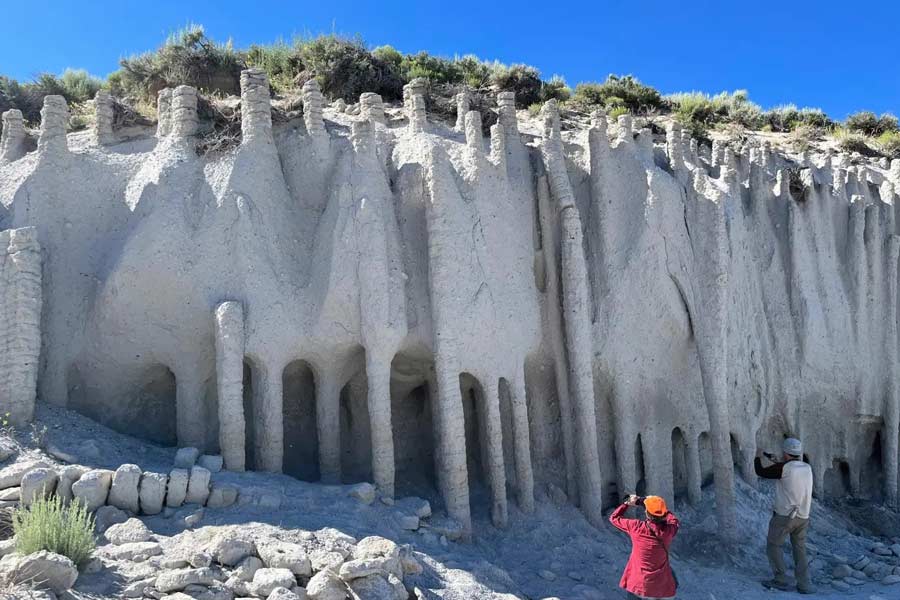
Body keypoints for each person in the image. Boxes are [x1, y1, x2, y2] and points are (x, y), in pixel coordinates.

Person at [755, 437, 814, 594]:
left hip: (785, 516)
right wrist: (776, 462)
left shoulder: (784, 468)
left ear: (786, 453)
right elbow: (789, 472)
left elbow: (760, 471)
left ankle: (780, 579)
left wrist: (756, 456)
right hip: (803, 516)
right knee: (799, 549)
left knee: (773, 545)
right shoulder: (806, 467)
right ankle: (805, 584)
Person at [609, 494, 679, 599]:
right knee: (672, 576)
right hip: (661, 586)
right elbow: (674, 520)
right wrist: (658, 508)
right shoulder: (668, 532)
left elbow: (614, 518)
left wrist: (628, 503)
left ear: (646, 513)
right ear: (664, 514)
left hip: (639, 585)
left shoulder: (636, 527)